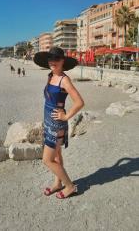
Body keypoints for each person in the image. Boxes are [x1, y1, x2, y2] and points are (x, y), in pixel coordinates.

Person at [33, 47, 85, 199]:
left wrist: (66, 116)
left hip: (57, 124)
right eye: (50, 59)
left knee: (47, 159)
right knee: (56, 156)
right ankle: (58, 183)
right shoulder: (50, 76)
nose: (52, 62)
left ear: (63, 61)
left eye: (56, 59)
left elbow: (79, 102)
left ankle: (70, 186)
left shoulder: (64, 79)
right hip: (48, 121)